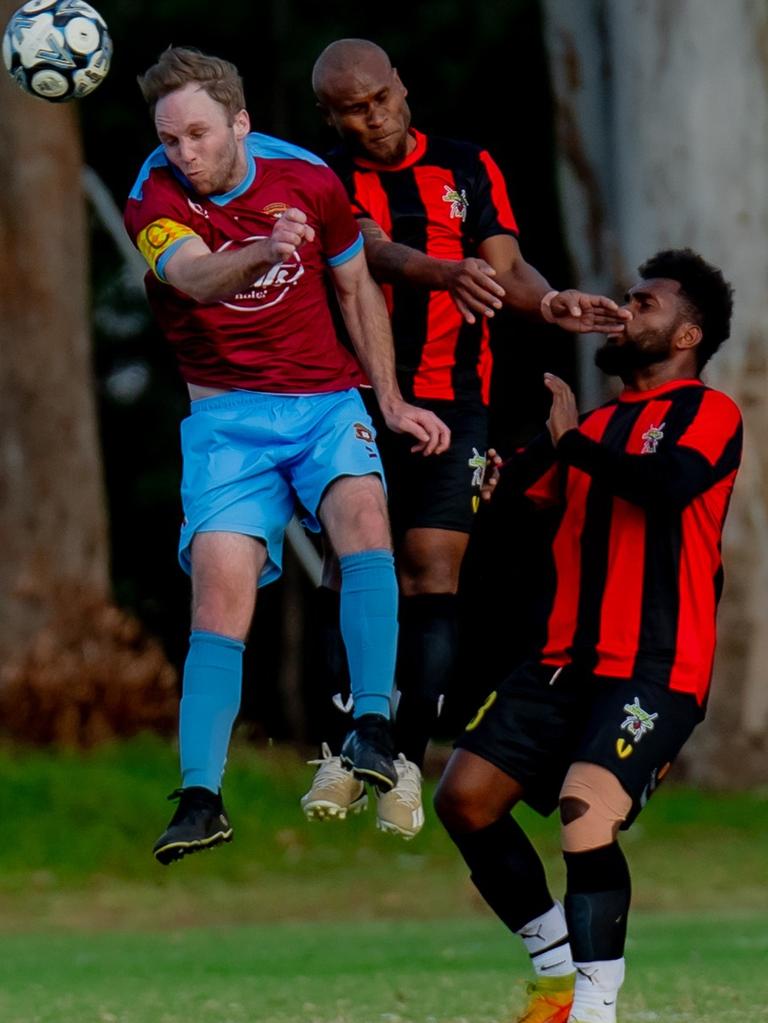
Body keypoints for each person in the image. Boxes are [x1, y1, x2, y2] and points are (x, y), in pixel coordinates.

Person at [123, 46, 450, 865]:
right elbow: (194, 280)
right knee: (218, 599)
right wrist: (267, 251)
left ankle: (371, 727)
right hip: (227, 423)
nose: (183, 155)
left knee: (366, 523)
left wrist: (393, 398)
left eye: (198, 135)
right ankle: (201, 795)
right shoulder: (152, 196)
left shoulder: (308, 178)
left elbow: (352, 289)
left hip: (324, 403)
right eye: (170, 139)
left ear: (240, 123)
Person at [300, 38, 630, 840]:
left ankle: (402, 760)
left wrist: (548, 302)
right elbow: (373, 251)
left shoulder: (466, 165)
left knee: (435, 575)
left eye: (379, 96)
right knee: (358, 565)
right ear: (330, 115)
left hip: (460, 400)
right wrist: (441, 273)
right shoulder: (324, 180)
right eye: (351, 106)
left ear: (401, 85)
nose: (370, 116)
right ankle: (349, 745)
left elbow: (506, 267)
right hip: (354, 397)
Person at [433, 249, 740, 1023]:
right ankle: (556, 972)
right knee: (464, 799)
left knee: (584, 809)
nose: (626, 306)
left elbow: (666, 488)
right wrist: (487, 474)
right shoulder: (593, 425)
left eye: (645, 301)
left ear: (687, 334)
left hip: (657, 667)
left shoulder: (709, 412)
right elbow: (511, 509)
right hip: (561, 663)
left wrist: (570, 446)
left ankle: (595, 1010)